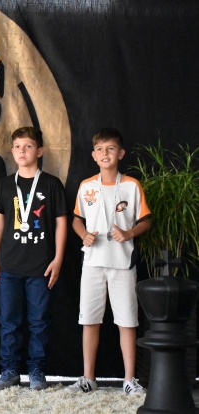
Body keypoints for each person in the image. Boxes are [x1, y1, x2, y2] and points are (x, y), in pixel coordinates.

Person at [65, 128, 150, 395]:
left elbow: (145, 221)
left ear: (120, 153)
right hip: (92, 263)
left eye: (111, 149)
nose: (105, 153)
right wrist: (84, 235)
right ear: (93, 155)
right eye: (100, 149)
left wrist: (129, 233)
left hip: (122, 264)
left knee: (127, 321)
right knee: (89, 320)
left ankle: (129, 380)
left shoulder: (132, 186)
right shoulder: (86, 186)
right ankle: (88, 378)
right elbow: (76, 220)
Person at [0, 126, 67, 391]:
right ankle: (9, 370)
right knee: (8, 322)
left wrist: (58, 259)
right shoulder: (4, 185)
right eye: (17, 147)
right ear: (12, 151)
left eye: (28, 146)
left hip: (41, 267)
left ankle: (37, 371)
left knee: (39, 321)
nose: (22, 151)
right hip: (9, 265)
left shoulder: (51, 184)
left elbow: (61, 224)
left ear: (40, 151)